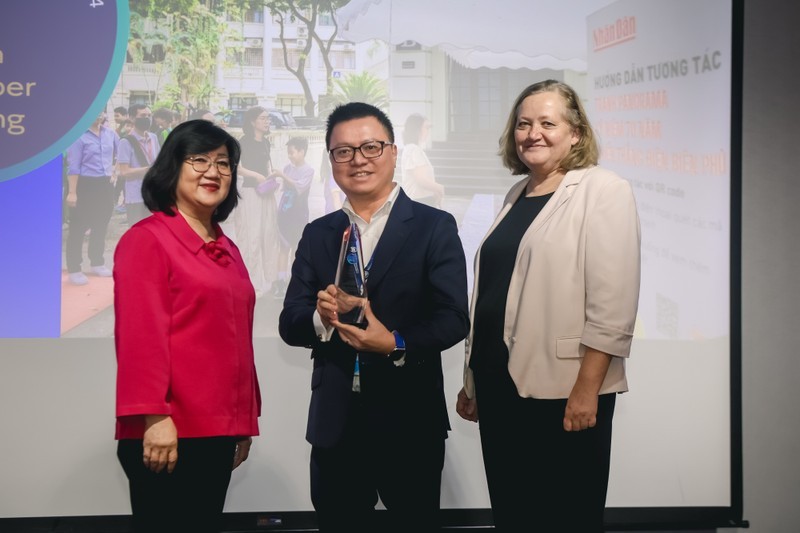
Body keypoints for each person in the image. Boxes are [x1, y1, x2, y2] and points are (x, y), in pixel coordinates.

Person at [455, 79, 641, 532]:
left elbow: (612, 305)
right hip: (502, 387)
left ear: (575, 133)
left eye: (546, 123)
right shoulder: (516, 195)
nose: (532, 133)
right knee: (515, 514)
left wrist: (586, 391)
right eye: (523, 124)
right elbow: (497, 292)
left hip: (564, 392)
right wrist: (473, 379)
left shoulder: (603, 189)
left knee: (565, 517)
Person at [279, 102, 470, 533]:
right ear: (331, 161)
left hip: (410, 422)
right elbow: (290, 322)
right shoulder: (319, 232)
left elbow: (454, 317)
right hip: (336, 422)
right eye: (343, 152)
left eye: (370, 146)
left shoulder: (434, 226)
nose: (358, 159)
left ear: (394, 152)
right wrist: (320, 317)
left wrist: (396, 342)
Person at [114, 119, 261, 533]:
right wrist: (153, 418)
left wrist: (243, 423)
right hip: (168, 432)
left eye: (224, 163)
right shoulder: (148, 239)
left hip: (216, 431)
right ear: (171, 167)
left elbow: (236, 342)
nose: (213, 172)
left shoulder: (225, 246)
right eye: (199, 159)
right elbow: (140, 338)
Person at [64, 110, 118, 285]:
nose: (99, 115)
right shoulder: (79, 136)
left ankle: (97, 262)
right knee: (78, 227)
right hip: (84, 185)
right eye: (95, 111)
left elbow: (121, 153)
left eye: (101, 111)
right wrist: (72, 192)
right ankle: (74, 268)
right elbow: (73, 167)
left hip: (105, 185)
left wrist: (115, 171)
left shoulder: (110, 133)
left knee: (101, 224)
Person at [234, 105, 280, 296]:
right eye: (263, 118)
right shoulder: (243, 142)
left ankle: (270, 280)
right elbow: (236, 167)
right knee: (251, 238)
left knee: (269, 235)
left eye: (268, 118)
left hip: (266, 193)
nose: (267, 121)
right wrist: (257, 176)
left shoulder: (266, 143)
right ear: (252, 121)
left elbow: (266, 166)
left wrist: (270, 175)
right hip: (251, 193)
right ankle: (252, 282)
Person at [272, 136, 313, 298]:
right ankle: (281, 281)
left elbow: (299, 187)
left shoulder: (308, 170)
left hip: (299, 214)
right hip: (284, 213)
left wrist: (282, 175)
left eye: (292, 153)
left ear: (302, 152)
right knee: (283, 247)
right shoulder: (287, 168)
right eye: (288, 153)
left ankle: (295, 280)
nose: (290, 156)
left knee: (296, 248)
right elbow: (283, 189)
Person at [117, 104, 160, 225]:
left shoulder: (154, 138)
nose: (147, 118)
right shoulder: (126, 142)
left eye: (149, 115)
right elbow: (124, 172)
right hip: (136, 196)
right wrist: (149, 169)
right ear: (132, 118)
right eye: (142, 115)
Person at [401, 113, 444, 207]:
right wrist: (439, 188)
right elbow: (421, 180)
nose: (428, 131)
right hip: (420, 201)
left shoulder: (410, 149)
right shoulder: (414, 150)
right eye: (426, 128)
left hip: (418, 201)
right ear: (417, 129)